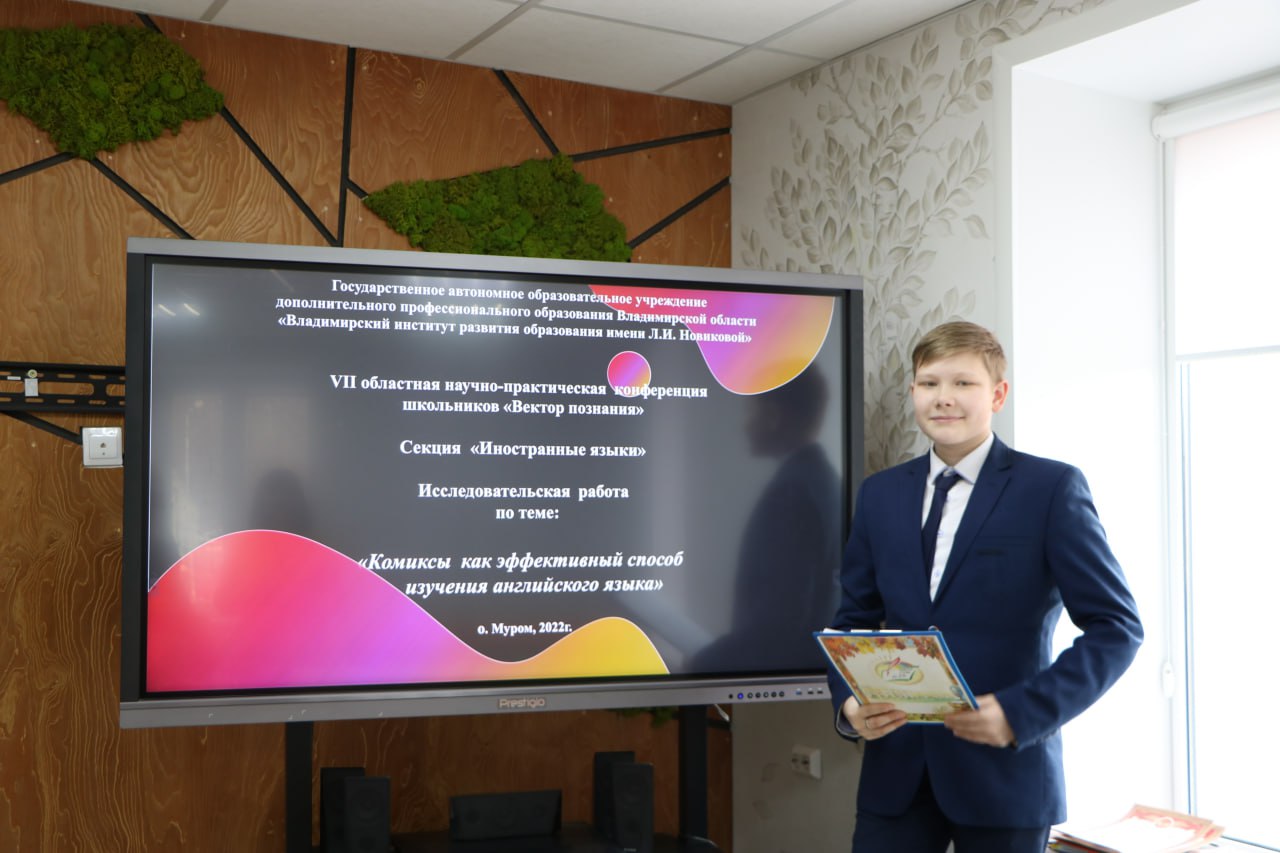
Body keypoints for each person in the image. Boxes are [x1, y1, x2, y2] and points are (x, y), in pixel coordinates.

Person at [827, 320, 1143, 853]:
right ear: (913, 391)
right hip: (896, 774)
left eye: (963, 383)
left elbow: (1118, 628)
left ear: (997, 394)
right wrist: (849, 707)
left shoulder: (1050, 488)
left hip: (1007, 774)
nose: (943, 398)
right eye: (929, 383)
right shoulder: (880, 494)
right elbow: (851, 622)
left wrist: (1023, 713)